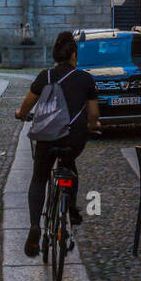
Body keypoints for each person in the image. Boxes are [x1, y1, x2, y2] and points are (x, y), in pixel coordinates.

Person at [15, 30, 100, 258]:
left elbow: (26, 105)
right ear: (74, 55)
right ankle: (70, 210)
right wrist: (91, 127)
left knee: (40, 178)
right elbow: (93, 115)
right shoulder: (86, 79)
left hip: (47, 137)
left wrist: (21, 114)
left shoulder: (46, 77)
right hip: (73, 139)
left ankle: (35, 225)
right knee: (69, 166)